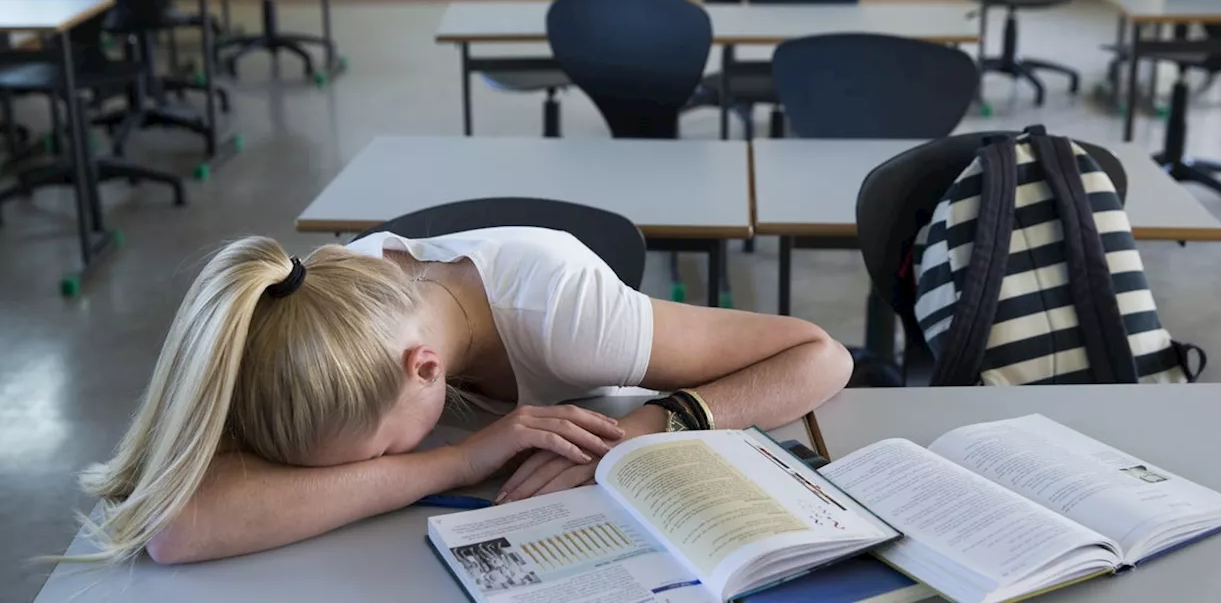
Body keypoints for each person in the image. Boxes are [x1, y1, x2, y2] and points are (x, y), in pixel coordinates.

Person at [73, 227, 853, 565]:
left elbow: (820, 356)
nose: (369, 470)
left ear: (424, 370)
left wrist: (647, 422)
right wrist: (454, 461)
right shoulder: (318, 321)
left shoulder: (569, 319)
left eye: (379, 450)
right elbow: (175, 528)